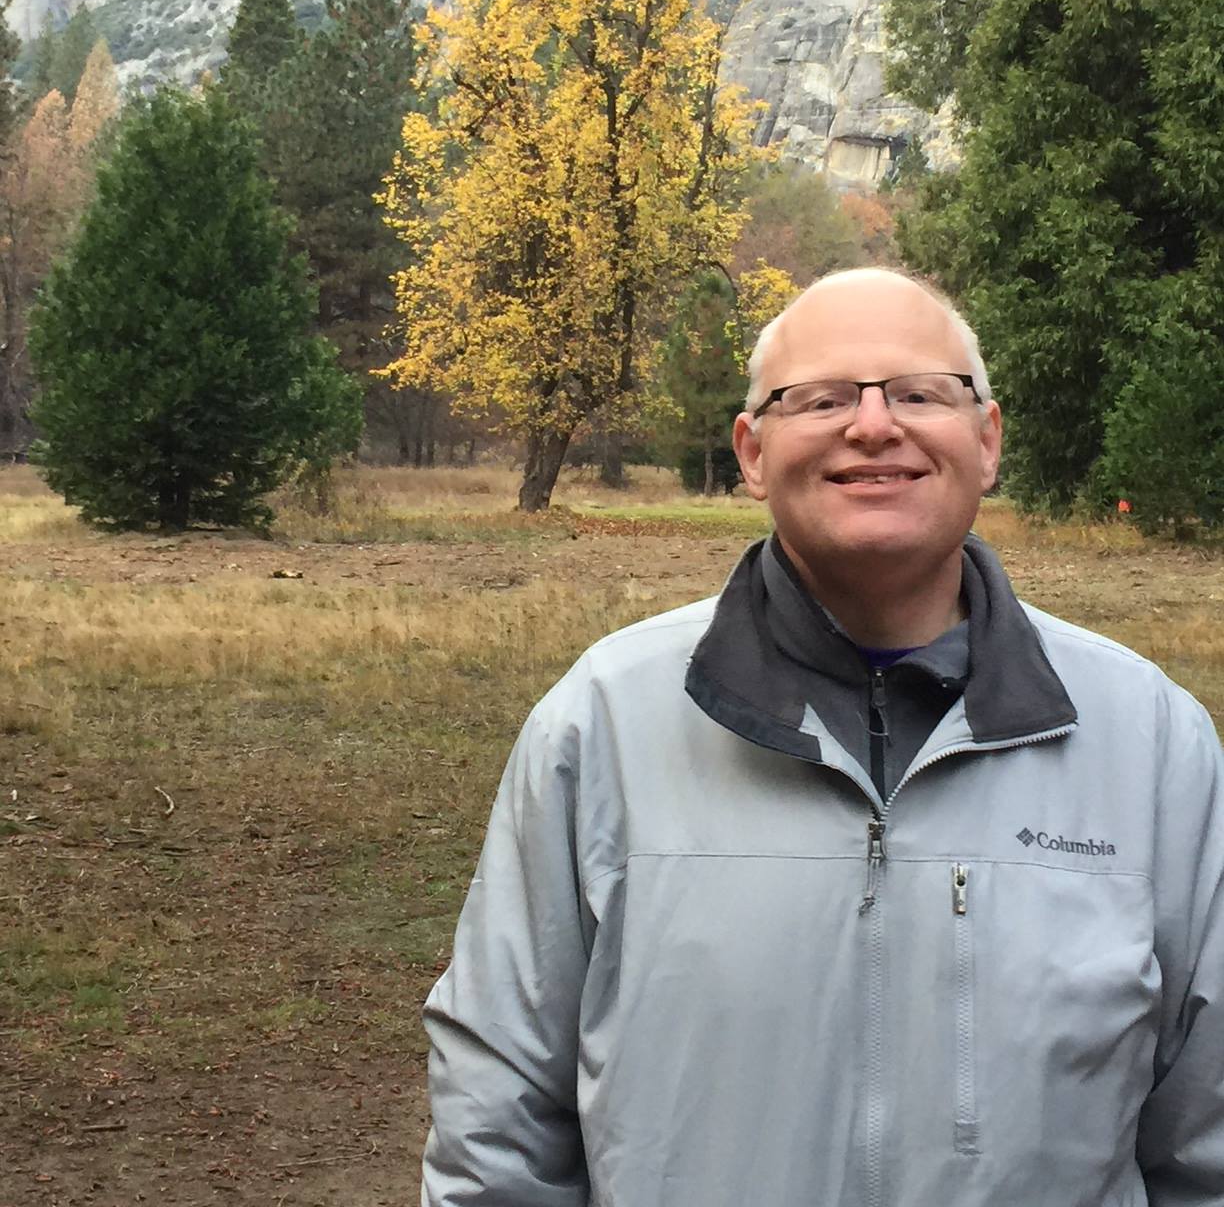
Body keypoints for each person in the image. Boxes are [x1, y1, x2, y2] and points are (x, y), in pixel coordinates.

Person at [421, 266, 1224, 1205]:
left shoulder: (1149, 738)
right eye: (822, 398)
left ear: (987, 439)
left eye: (922, 393)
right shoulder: (603, 724)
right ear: (752, 451)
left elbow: (1205, 1135)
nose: (874, 426)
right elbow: (498, 1117)